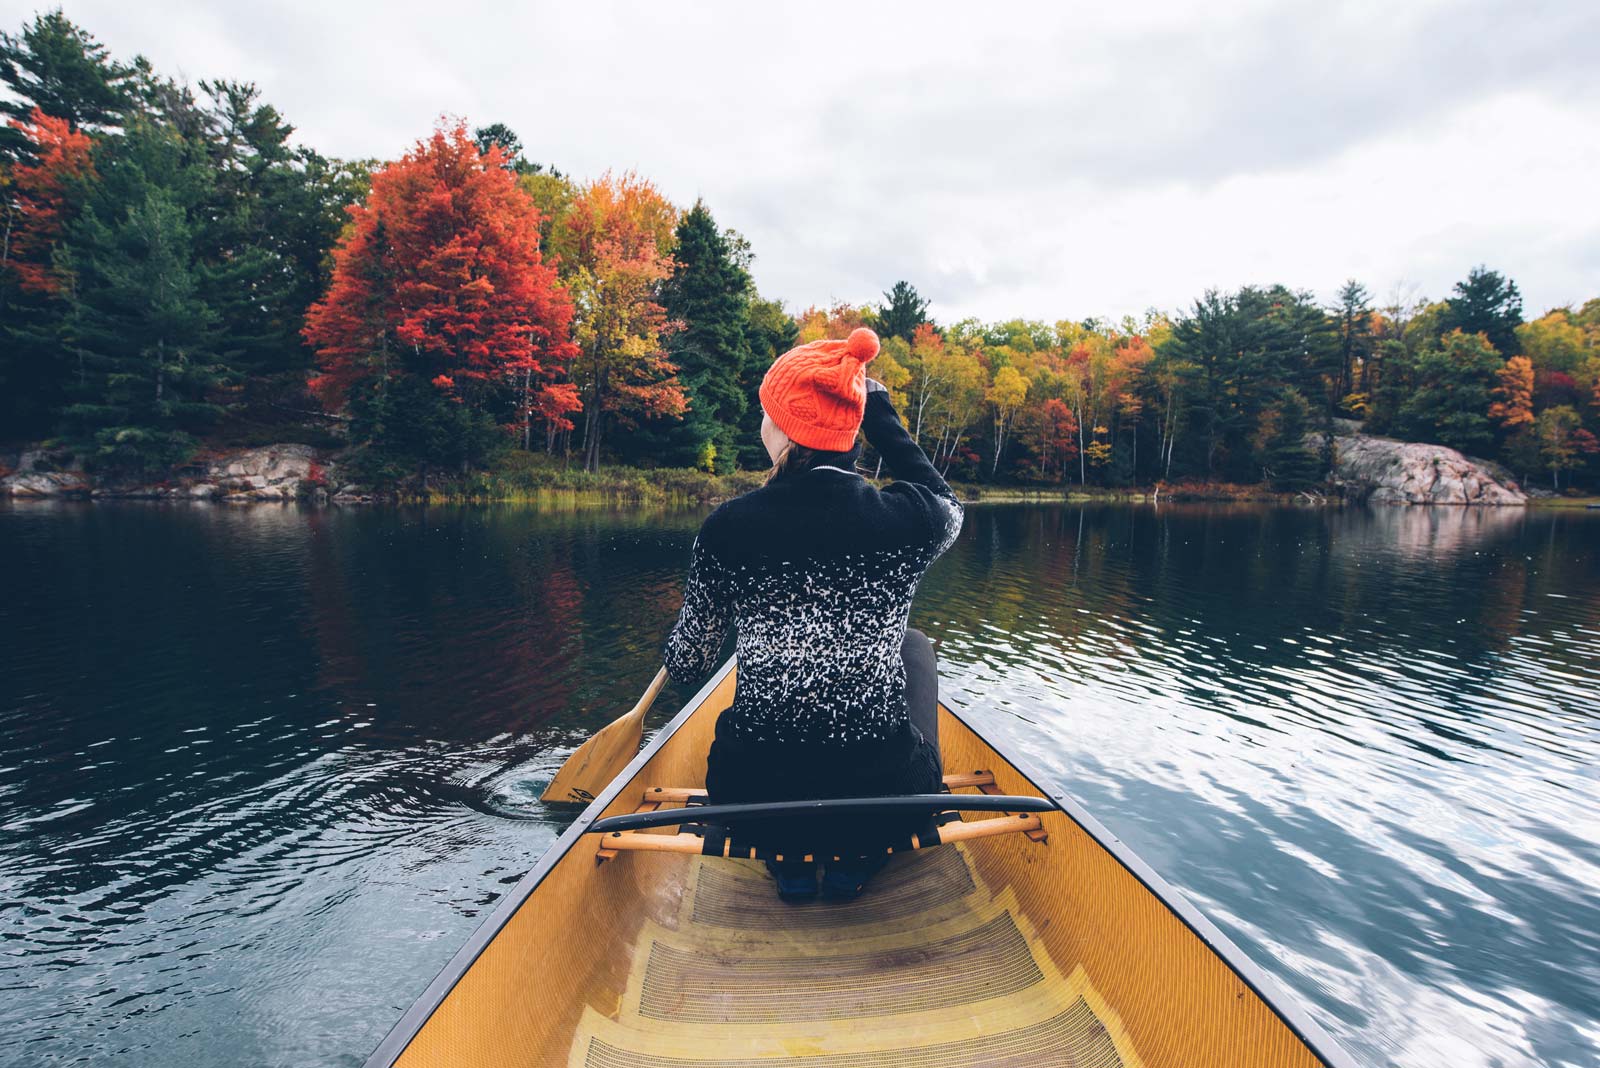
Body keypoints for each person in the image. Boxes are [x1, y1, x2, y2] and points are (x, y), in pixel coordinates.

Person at [662, 327, 963, 900]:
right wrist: (879, 415)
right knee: (915, 646)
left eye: (765, 413)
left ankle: (790, 867)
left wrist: (689, 640)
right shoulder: (909, 519)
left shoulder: (727, 527)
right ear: (851, 431)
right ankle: (856, 863)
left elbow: (688, 662)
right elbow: (948, 503)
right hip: (887, 804)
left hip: (751, 805)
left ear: (781, 428)